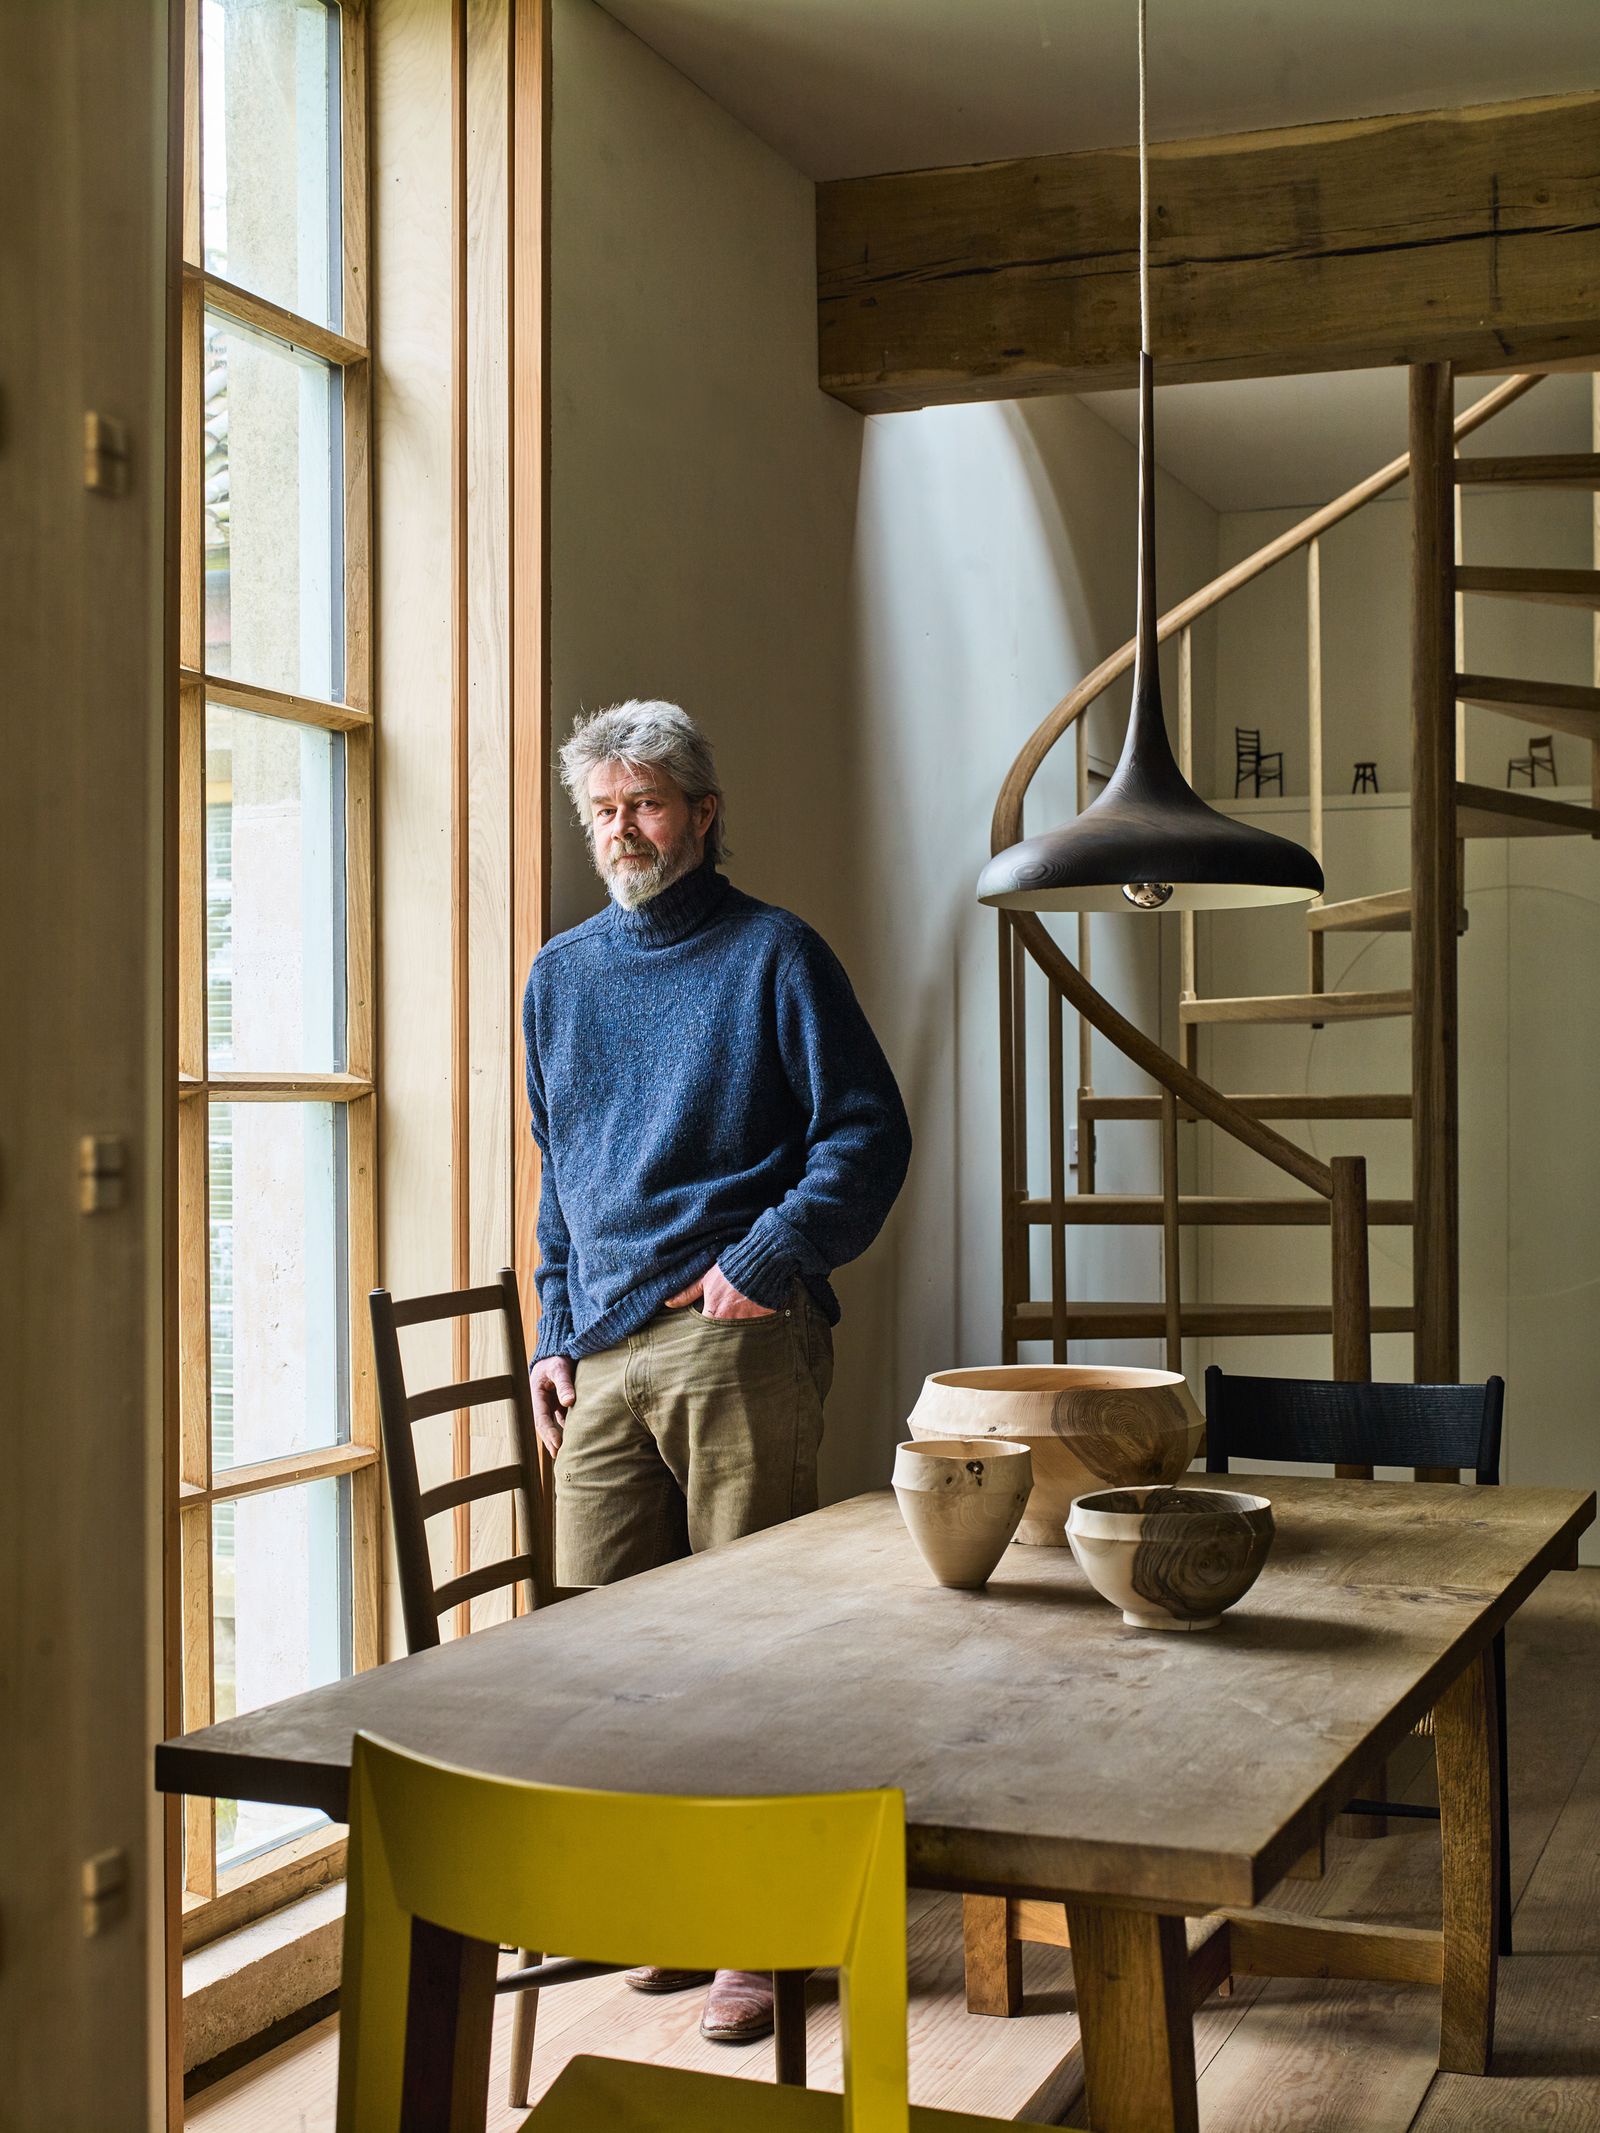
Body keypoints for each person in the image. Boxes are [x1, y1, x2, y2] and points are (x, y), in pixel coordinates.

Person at [521, 698, 911, 2046]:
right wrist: (550, 1330)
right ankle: (673, 1907)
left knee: (757, 1657)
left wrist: (771, 1254)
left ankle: (764, 1938)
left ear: (703, 811)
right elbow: (559, 1184)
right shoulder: (556, 979)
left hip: (733, 1327)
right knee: (606, 1653)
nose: (621, 830)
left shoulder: (775, 957)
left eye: (644, 804)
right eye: (602, 811)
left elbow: (866, 1135)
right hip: (603, 1355)